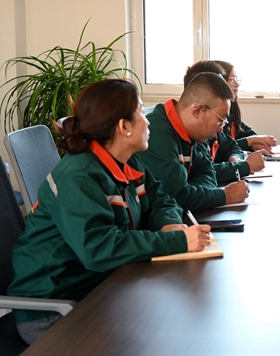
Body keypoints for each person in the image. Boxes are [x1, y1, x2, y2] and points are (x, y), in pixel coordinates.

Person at [7, 79, 212, 345]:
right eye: (141, 113)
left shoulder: (128, 160)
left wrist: (169, 224)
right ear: (124, 127)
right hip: (56, 308)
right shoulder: (79, 176)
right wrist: (177, 240)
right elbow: (100, 249)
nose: (148, 122)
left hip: (101, 287)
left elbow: (161, 199)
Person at [139, 72, 249, 211]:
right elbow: (175, 197)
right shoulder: (156, 134)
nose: (221, 129)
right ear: (198, 111)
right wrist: (226, 195)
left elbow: (207, 172)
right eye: (220, 120)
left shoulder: (190, 132)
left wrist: (196, 194)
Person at [183, 61, 266, 182]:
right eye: (231, 80)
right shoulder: (195, 132)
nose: (221, 128)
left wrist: (235, 158)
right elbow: (204, 173)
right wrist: (243, 167)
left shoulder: (213, 122)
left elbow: (232, 146)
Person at [212, 60, 277, 153]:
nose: (237, 84)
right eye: (232, 79)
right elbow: (222, 150)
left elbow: (250, 134)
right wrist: (250, 141)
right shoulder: (215, 117)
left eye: (237, 79)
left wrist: (253, 143)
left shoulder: (232, 114)